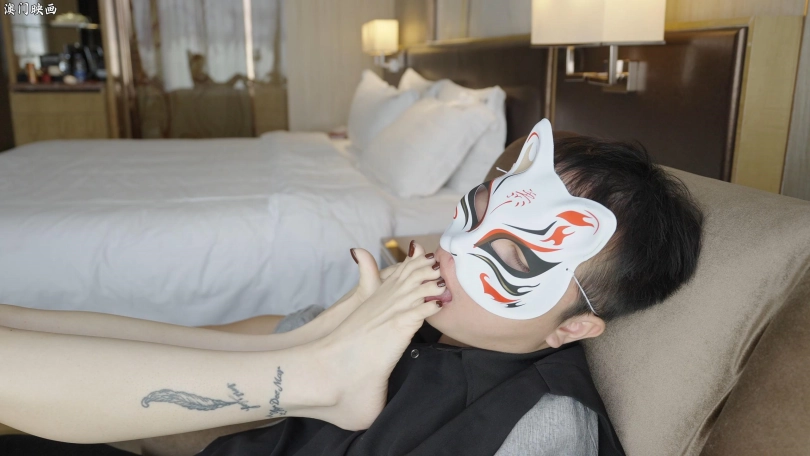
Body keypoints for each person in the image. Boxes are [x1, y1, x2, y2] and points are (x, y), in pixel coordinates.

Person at [2, 120, 704, 456]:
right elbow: (193, 351)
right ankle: (318, 365)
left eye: (511, 256)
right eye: (472, 212)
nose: (452, 251)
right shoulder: (398, 313)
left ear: (572, 326)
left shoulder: (539, 427)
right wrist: (326, 330)